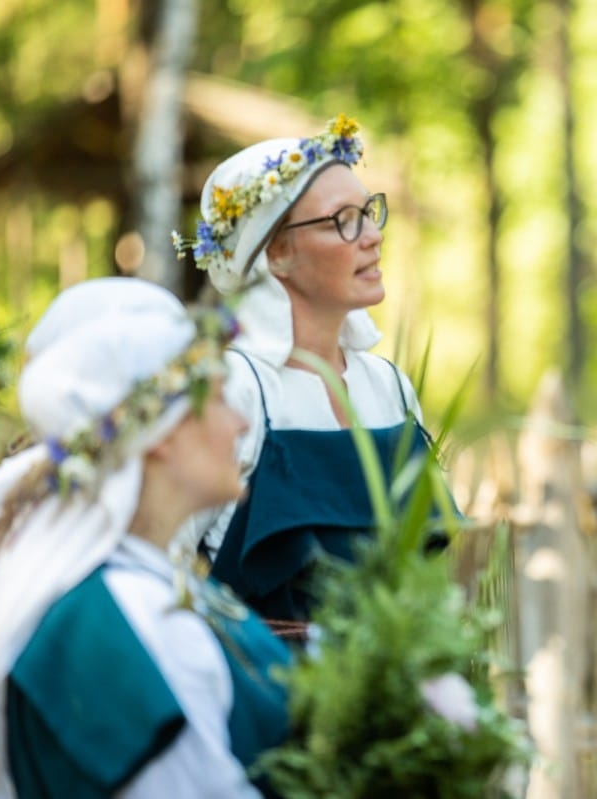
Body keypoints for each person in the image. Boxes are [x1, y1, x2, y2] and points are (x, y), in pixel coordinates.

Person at [0, 283, 290, 798]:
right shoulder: (123, 618)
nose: (241, 422)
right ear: (161, 430)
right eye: (220, 398)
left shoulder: (138, 580)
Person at [173, 114, 445, 628]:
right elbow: (167, 568)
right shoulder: (233, 390)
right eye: (343, 220)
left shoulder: (391, 388)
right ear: (276, 254)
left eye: (369, 212)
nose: (372, 235)